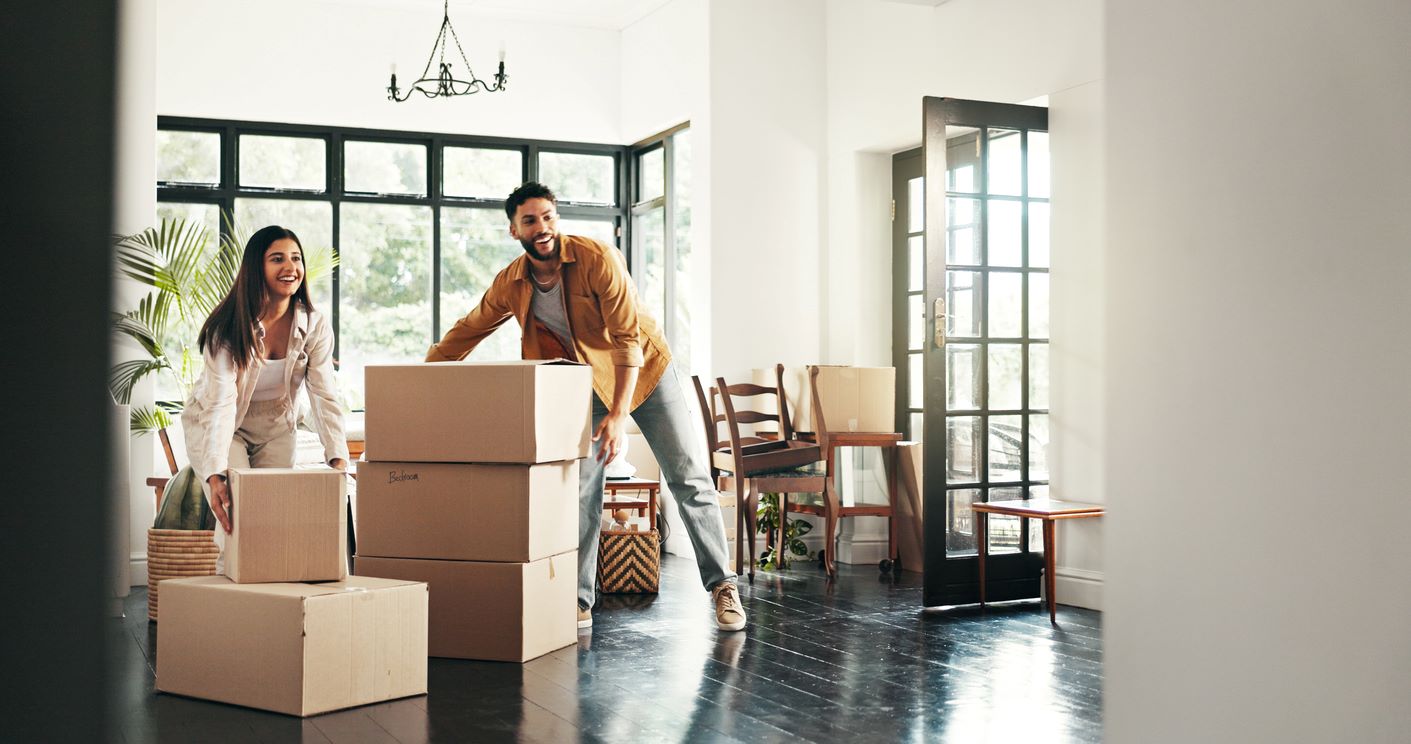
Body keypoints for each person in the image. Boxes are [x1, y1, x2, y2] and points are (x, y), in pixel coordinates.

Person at [427, 182, 746, 632]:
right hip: (586, 387)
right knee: (581, 490)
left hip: (647, 372)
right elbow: (470, 328)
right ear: (514, 230)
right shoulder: (512, 282)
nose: (542, 227)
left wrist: (618, 416)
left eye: (548, 217)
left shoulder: (597, 259)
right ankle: (578, 600)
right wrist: (421, 377)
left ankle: (722, 587)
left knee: (688, 477)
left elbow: (627, 341)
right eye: (530, 220)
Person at [183, 225, 349, 542]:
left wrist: (338, 458)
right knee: (237, 518)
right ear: (256, 267)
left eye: (296, 258)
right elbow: (220, 405)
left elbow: (324, 394)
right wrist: (215, 474)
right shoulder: (227, 328)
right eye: (277, 259)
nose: (291, 267)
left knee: (274, 521)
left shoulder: (314, 324)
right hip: (224, 426)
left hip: (276, 425)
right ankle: (230, 575)